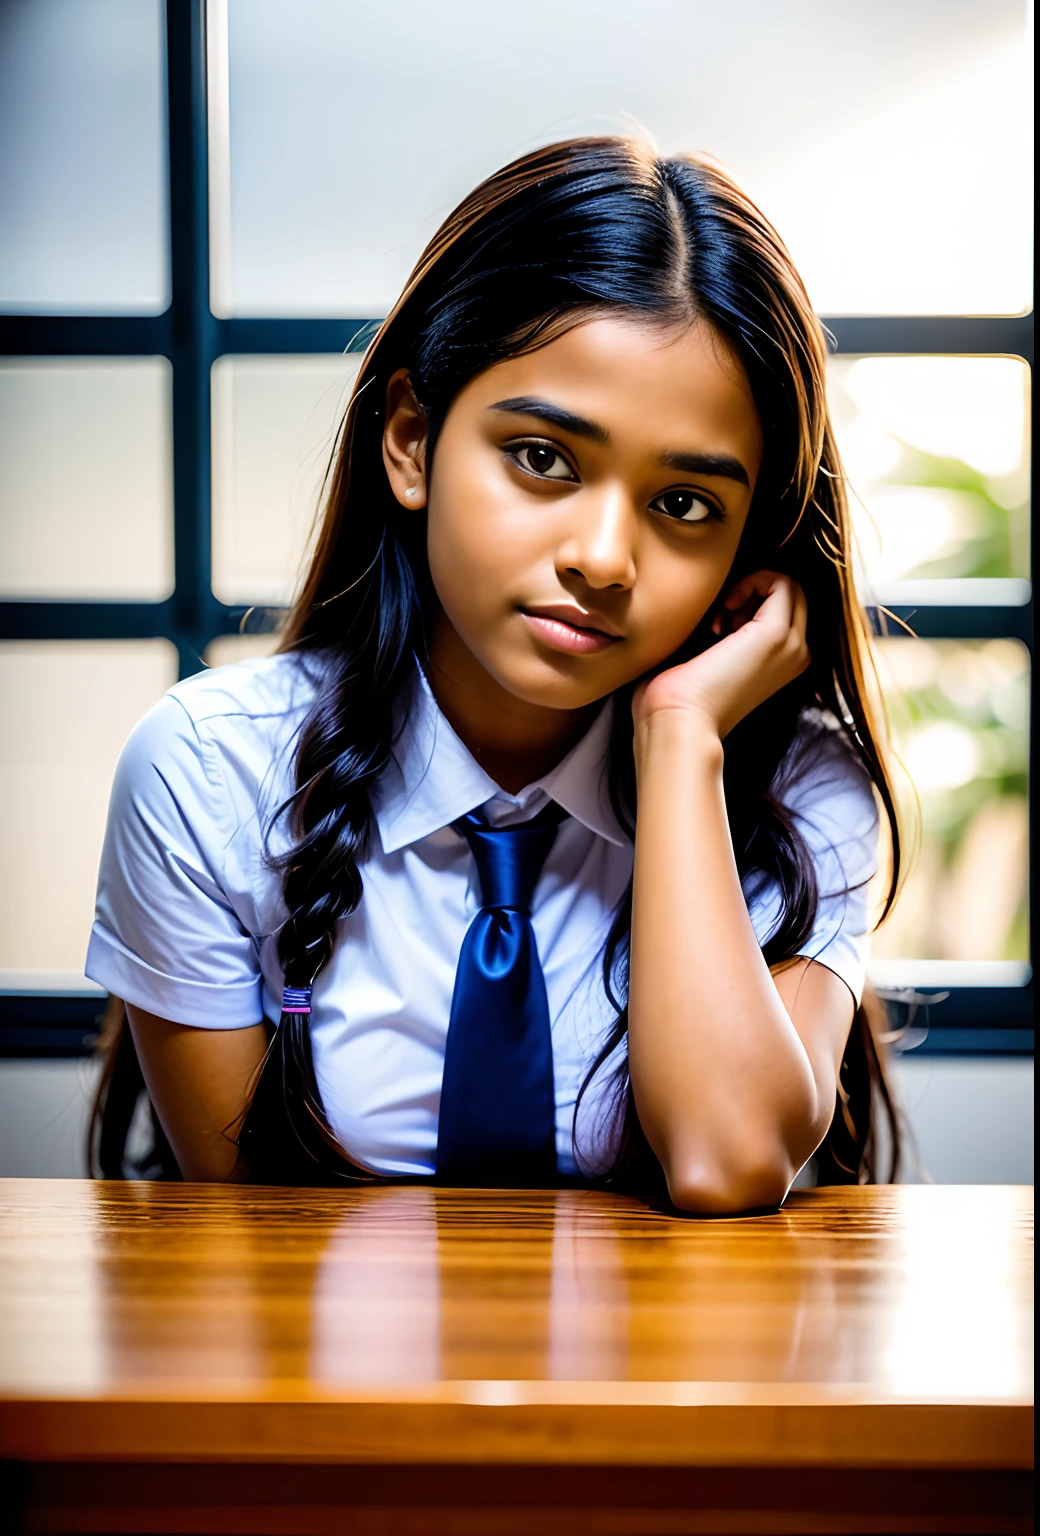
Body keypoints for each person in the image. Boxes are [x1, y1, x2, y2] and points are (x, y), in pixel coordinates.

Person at [86, 137, 904, 1210]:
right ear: (413, 442)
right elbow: (250, 1234)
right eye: (542, 459)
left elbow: (727, 1160)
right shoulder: (207, 774)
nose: (603, 559)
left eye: (683, 505)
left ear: (746, 545)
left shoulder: (794, 792)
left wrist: (679, 744)